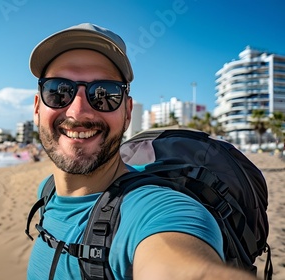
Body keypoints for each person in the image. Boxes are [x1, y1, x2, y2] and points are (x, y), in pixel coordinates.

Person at [27, 23, 258, 280]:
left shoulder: (157, 210)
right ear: (37, 107)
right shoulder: (48, 191)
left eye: (105, 95)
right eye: (59, 91)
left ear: (127, 113)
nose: (78, 112)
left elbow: (179, 260)